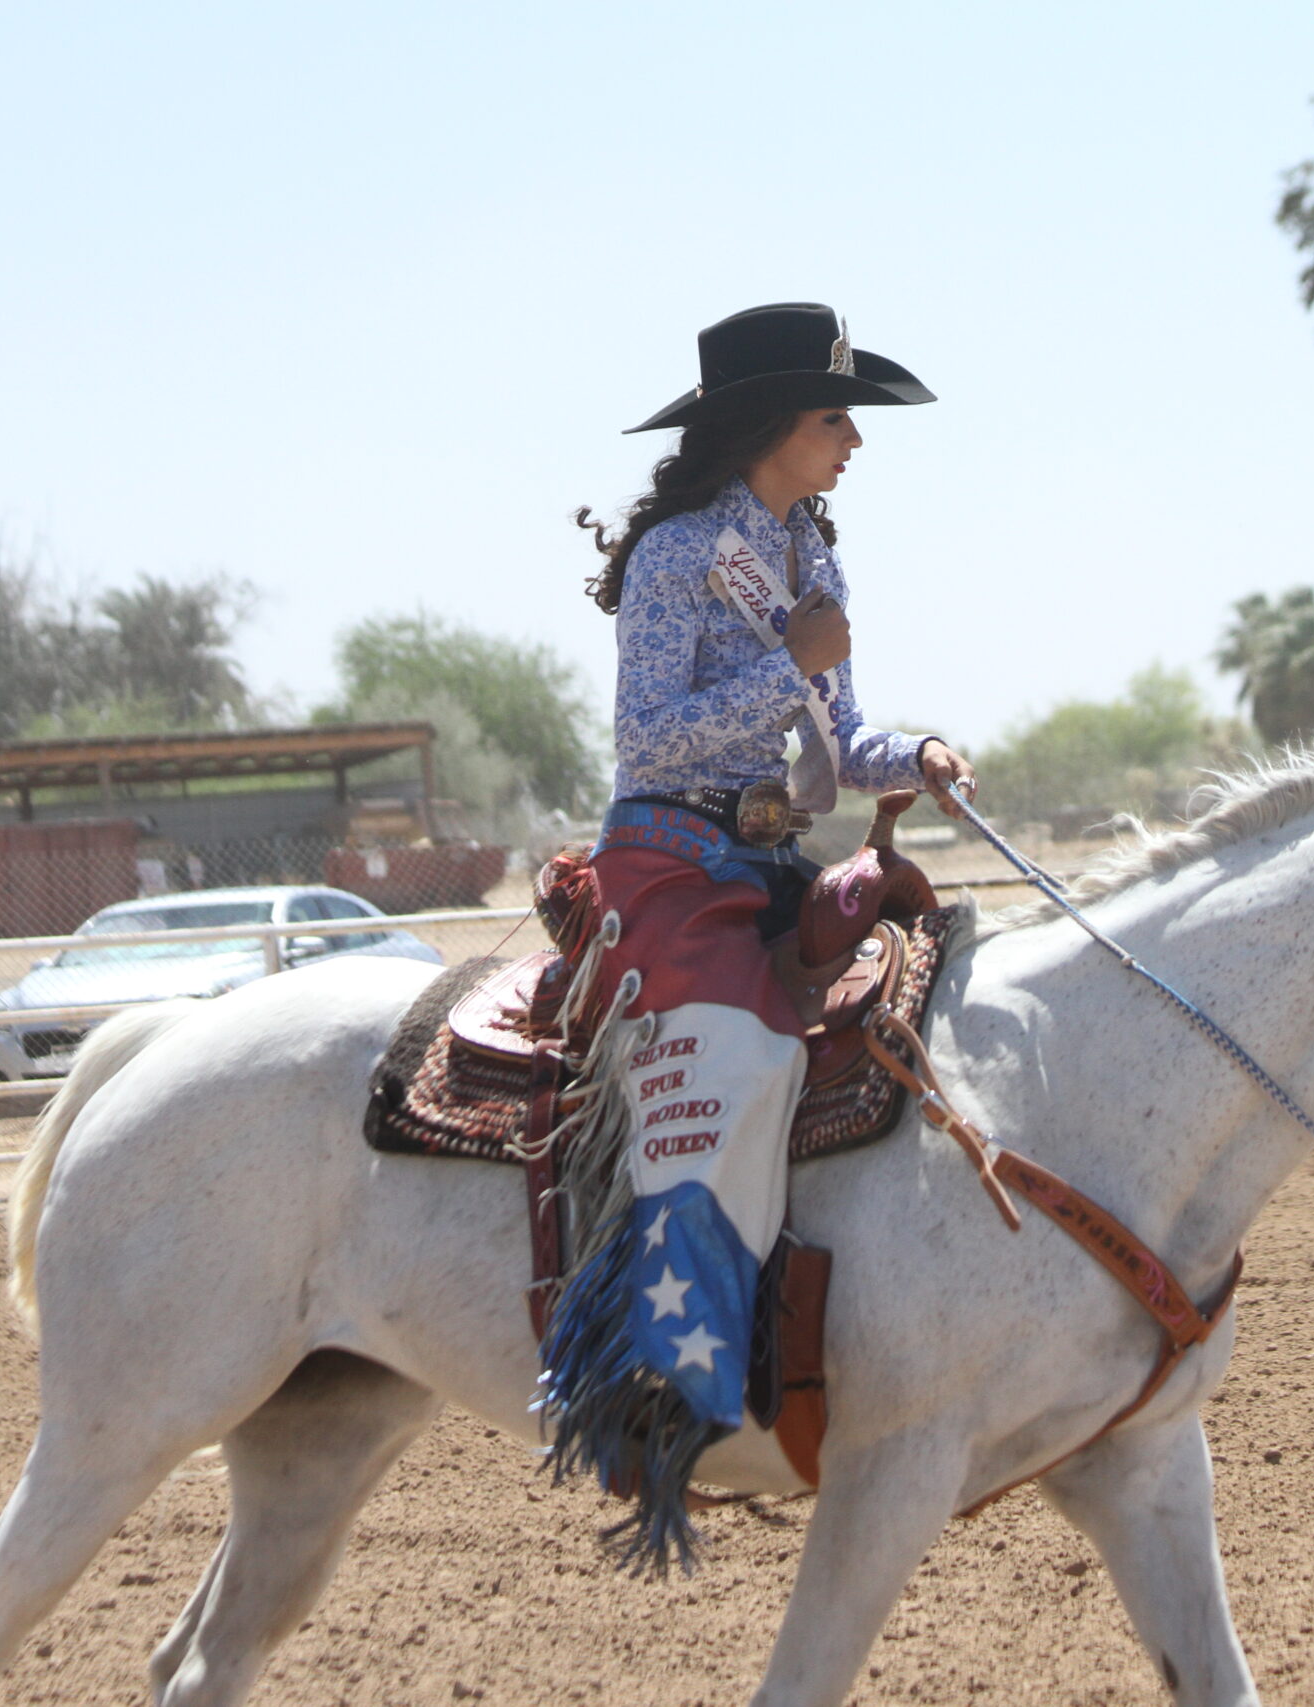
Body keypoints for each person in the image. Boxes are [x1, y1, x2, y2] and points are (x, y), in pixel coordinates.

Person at [540, 303, 975, 1544]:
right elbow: (650, 741)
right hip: (673, 858)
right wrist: (790, 663)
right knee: (730, 1058)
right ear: (766, 424)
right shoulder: (681, 553)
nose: (853, 440)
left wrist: (916, 749)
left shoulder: (810, 560)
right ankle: (662, 1381)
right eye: (835, 416)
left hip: (775, 854)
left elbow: (837, 737)